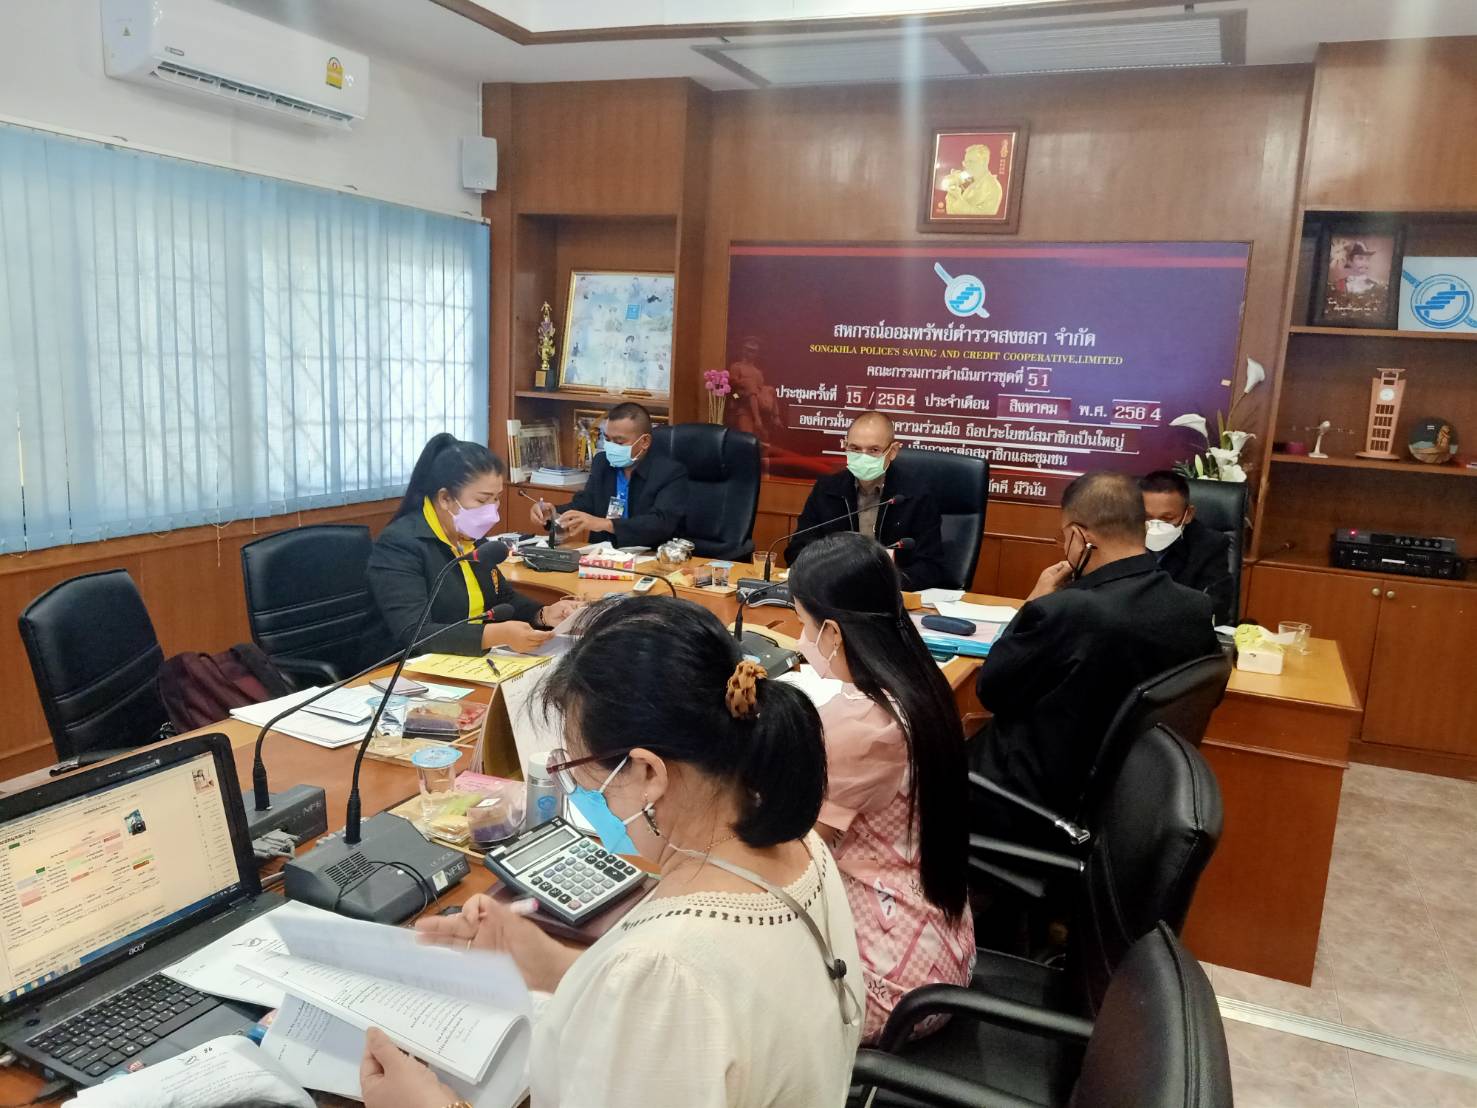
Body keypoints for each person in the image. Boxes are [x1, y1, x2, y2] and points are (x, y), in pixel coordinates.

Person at [358, 596, 863, 1107]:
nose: (580, 789)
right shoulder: (801, 844)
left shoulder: (665, 971)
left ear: (647, 772)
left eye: (578, 771)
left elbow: (670, 1001)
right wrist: (551, 963)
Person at [788, 532, 973, 1043]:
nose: (801, 640)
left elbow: (794, 857)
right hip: (938, 942)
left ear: (831, 631)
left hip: (890, 983)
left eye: (803, 624)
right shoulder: (916, 680)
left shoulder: (862, 726)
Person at [971, 472, 1220, 844]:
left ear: (1078, 536)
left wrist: (1032, 604)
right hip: (1127, 806)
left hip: (1024, 800)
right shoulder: (1194, 609)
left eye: (1063, 536)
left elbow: (991, 689)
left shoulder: (1066, 611)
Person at [368, 434, 580, 656]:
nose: (492, 510)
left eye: (496, 498)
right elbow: (415, 634)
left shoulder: (470, 537)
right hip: (404, 666)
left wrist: (544, 614)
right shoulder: (399, 545)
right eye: (482, 500)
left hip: (467, 660)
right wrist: (497, 635)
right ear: (445, 498)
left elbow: (503, 598)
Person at [785, 412, 950, 591]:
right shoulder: (827, 490)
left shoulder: (916, 495)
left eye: (874, 450)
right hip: (836, 592)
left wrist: (884, 583)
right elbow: (797, 551)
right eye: (855, 449)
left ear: (892, 451)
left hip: (890, 595)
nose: (863, 457)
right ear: (845, 445)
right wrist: (834, 578)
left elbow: (931, 567)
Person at [530, 402, 687, 548]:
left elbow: (660, 523)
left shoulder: (670, 472)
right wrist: (553, 514)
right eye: (607, 440)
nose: (611, 447)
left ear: (644, 441)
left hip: (651, 556)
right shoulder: (602, 463)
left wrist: (605, 524)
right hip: (602, 555)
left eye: (619, 442)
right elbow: (585, 504)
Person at [1140, 469, 1235, 625]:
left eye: (1167, 518)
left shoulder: (1210, 545)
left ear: (1188, 514)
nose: (1154, 526)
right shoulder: (1121, 538)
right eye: (1146, 517)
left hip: (1179, 630)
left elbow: (1215, 605)